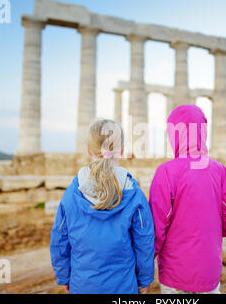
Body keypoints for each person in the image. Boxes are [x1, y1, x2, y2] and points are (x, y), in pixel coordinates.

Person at [50, 119, 155, 294]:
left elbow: (59, 238)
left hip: (82, 286)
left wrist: (64, 275)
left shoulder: (72, 192)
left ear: (89, 150)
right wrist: (144, 278)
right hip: (123, 288)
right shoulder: (134, 193)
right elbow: (144, 240)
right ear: (121, 150)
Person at [149, 104, 226, 294]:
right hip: (209, 271)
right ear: (203, 131)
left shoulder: (166, 172)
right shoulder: (219, 170)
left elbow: (156, 229)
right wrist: (208, 232)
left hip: (174, 273)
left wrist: (145, 263)